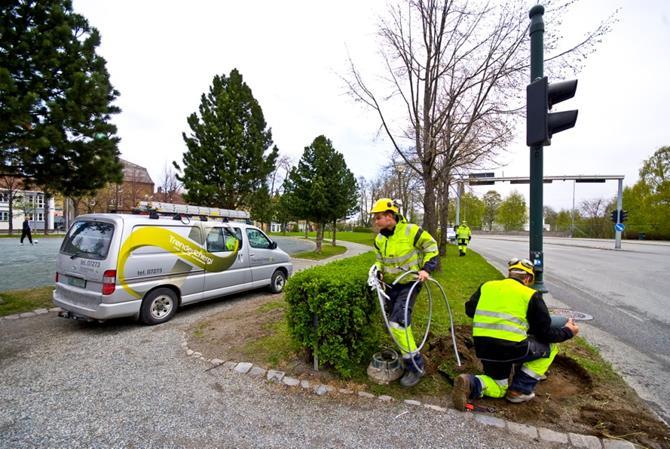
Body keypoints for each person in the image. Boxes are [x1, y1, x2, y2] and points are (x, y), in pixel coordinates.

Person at [452, 257, 579, 410]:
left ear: (510, 274)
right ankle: (520, 389)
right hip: (511, 349)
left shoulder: (487, 286)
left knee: (499, 387)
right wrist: (568, 332)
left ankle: (471, 383)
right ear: (528, 278)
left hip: (484, 348)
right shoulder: (531, 294)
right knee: (550, 348)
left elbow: (470, 310)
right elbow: (544, 334)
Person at [370, 198, 440, 387]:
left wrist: (426, 269)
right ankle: (406, 352)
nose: (375, 222)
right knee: (396, 324)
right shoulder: (379, 239)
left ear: (390, 216)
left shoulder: (411, 231)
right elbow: (380, 260)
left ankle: (415, 367)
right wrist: (376, 270)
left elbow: (432, 247)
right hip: (391, 286)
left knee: (398, 324)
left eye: (378, 218)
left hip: (409, 284)